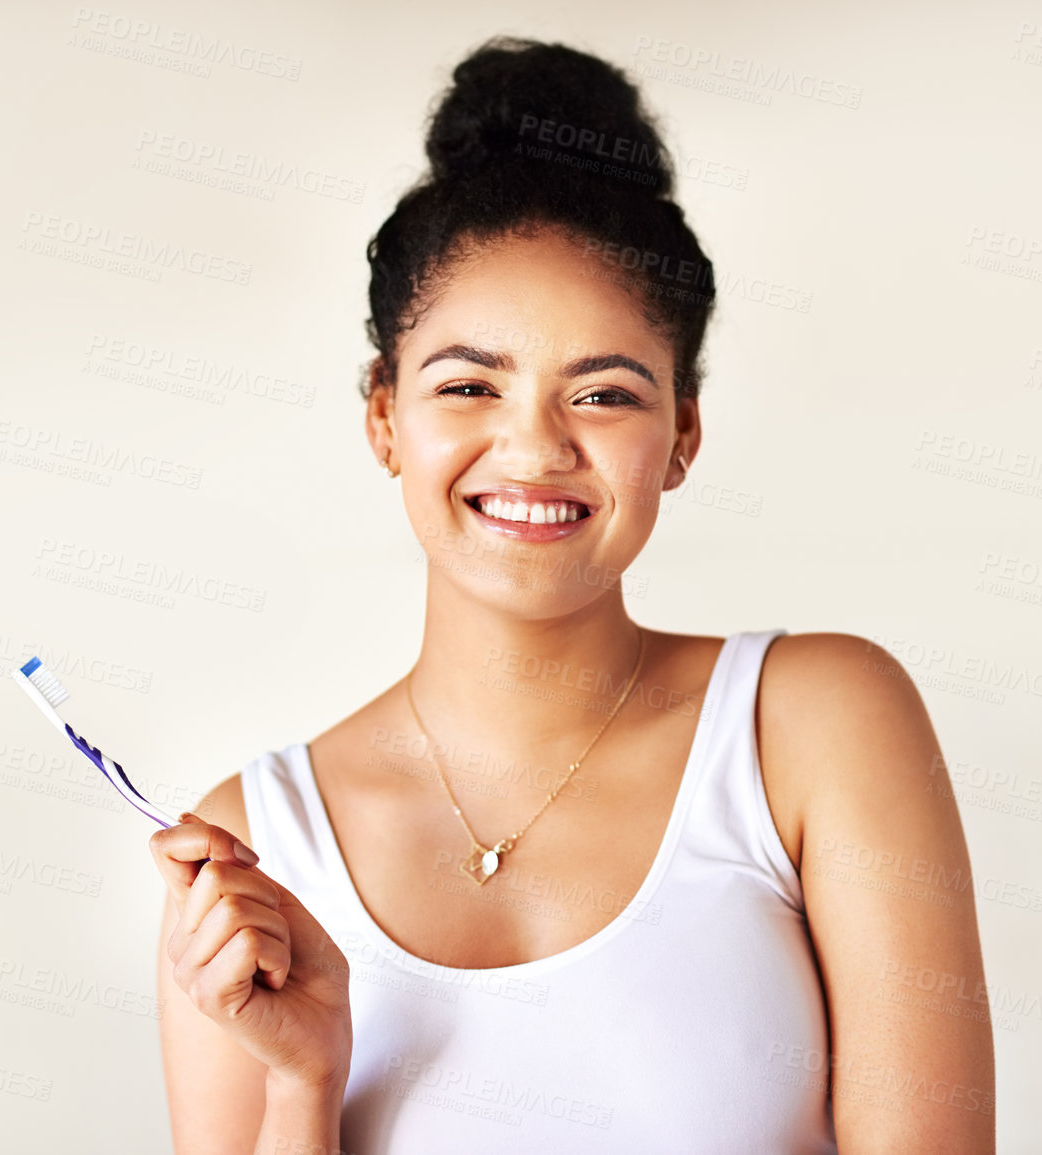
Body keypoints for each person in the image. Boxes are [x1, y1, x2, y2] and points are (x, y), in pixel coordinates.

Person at [149, 35, 994, 1155]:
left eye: (603, 392)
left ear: (681, 435)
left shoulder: (812, 723)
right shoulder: (257, 848)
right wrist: (304, 1087)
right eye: (467, 385)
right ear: (383, 418)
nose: (534, 447)